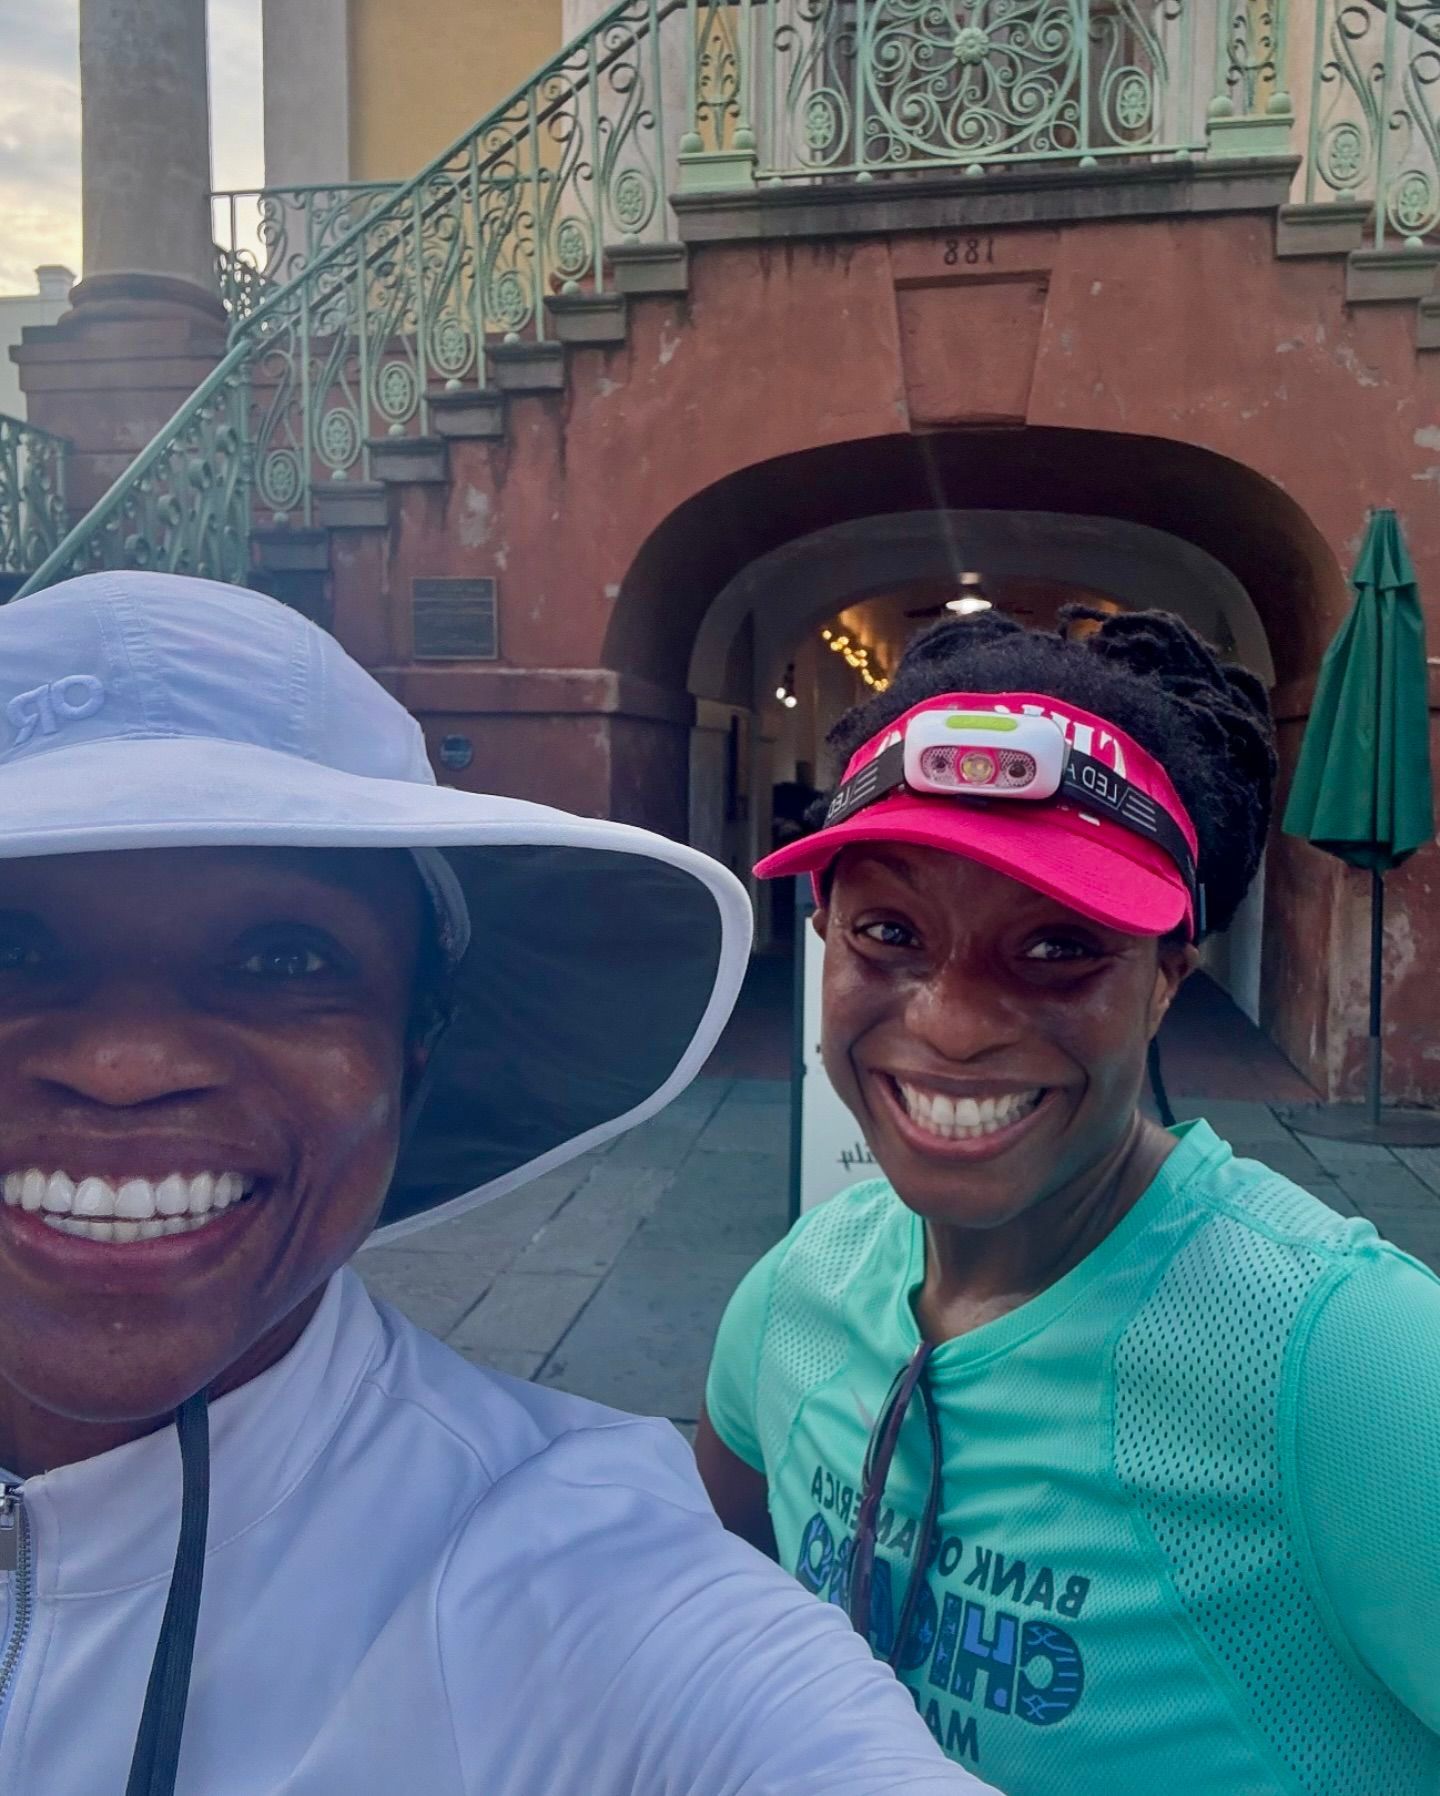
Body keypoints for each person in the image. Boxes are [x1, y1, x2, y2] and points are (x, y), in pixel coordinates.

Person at [0, 572, 1001, 1796]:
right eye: (10, 944)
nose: (123, 1065)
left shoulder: (572, 1572)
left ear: (414, 1046)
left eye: (283, 957)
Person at [696, 609, 1440, 1795]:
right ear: (825, 935)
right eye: (889, 931)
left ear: (1167, 978)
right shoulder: (797, 1292)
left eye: (1057, 947)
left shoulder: (1348, 1360)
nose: (952, 1023)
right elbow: (693, 1625)